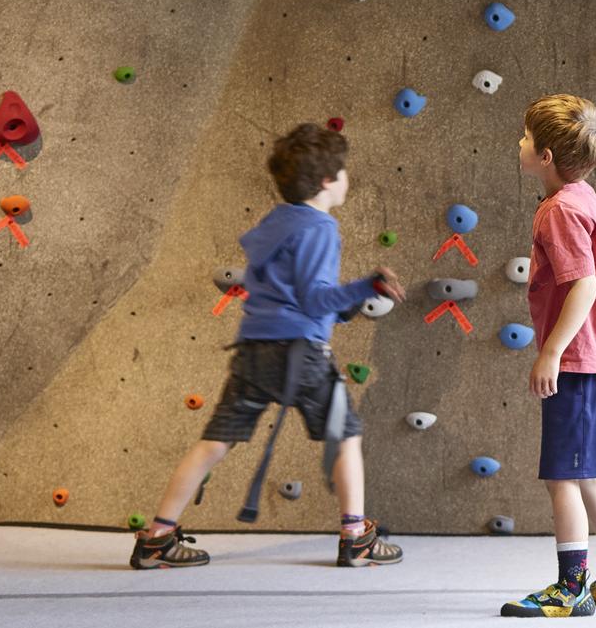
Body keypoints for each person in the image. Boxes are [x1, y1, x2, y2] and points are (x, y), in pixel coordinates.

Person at [130, 123, 406, 569]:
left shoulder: (275, 223)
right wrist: (365, 286)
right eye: (342, 171)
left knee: (214, 443)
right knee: (346, 436)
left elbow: (291, 294)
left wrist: (341, 308)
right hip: (302, 356)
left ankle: (157, 537)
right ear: (326, 181)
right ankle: (355, 537)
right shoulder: (320, 228)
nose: (346, 178)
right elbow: (315, 298)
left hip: (254, 352)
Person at [500, 94, 596, 618]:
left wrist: (551, 355)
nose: (518, 142)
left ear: (544, 156)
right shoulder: (582, 195)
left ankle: (571, 587)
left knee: (562, 474)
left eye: (524, 136)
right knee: (585, 470)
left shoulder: (559, 210)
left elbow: (582, 287)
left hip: (579, 361)